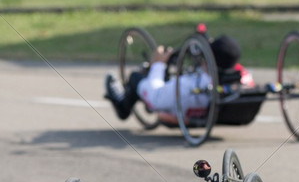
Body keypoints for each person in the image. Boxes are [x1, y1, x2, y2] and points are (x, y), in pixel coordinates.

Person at [104, 34, 254, 122]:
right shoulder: (244, 79)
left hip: (183, 103)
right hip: (212, 107)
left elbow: (156, 97)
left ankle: (122, 105)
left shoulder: (190, 86)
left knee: (136, 77)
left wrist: (158, 65)